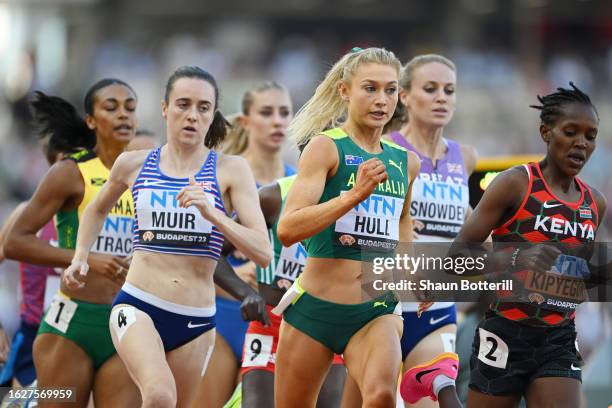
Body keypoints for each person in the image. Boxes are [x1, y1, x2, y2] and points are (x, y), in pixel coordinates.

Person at [63, 66, 271, 407]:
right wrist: (80, 257)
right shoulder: (133, 164)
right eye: (183, 105)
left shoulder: (231, 170)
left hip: (197, 318)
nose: (192, 116)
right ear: (164, 109)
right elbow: (96, 209)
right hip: (138, 304)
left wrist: (214, 213)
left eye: (203, 108)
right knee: (159, 395)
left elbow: (262, 251)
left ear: (212, 114)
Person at [274, 47, 421, 408]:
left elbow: (402, 221)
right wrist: (353, 195)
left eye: (390, 90)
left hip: (375, 309)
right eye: (370, 88)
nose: (381, 100)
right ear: (344, 91)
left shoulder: (405, 161)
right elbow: (288, 229)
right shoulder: (326, 148)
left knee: (383, 395)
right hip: (314, 310)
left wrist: (411, 271)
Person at [455, 83, 606, 408]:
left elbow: (581, 273)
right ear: (546, 132)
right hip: (504, 331)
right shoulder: (515, 183)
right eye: (571, 131)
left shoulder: (595, 203)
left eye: (590, 136)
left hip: (558, 338)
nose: (581, 143)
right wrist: (516, 259)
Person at [4, 82, 141, 407]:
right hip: (71, 323)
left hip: (126, 321)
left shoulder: (150, 174)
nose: (123, 114)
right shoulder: (70, 173)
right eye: (111, 107)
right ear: (91, 120)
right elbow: (13, 242)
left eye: (130, 107)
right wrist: (84, 259)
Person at [385, 54, 476, 408]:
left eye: (449, 90)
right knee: (376, 399)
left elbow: (471, 225)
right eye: (431, 88)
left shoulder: (464, 156)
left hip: (437, 308)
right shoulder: (387, 149)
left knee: (438, 399)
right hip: (384, 304)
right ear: (405, 96)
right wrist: (398, 220)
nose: (442, 98)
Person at [198, 81, 296, 407]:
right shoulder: (225, 175)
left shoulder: (301, 181)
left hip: (281, 319)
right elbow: (199, 253)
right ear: (245, 121)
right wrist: (240, 282)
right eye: (266, 113)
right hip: (225, 313)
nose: (277, 121)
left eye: (284, 113)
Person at [235, 175, 346, 408]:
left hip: (328, 325)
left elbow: (381, 259)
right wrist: (245, 292)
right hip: (270, 324)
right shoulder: (272, 196)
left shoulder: (358, 195)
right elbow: (215, 248)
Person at [0, 119, 78, 389]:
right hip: (32, 336)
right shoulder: (24, 215)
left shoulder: (99, 214)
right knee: (19, 403)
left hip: (80, 336)